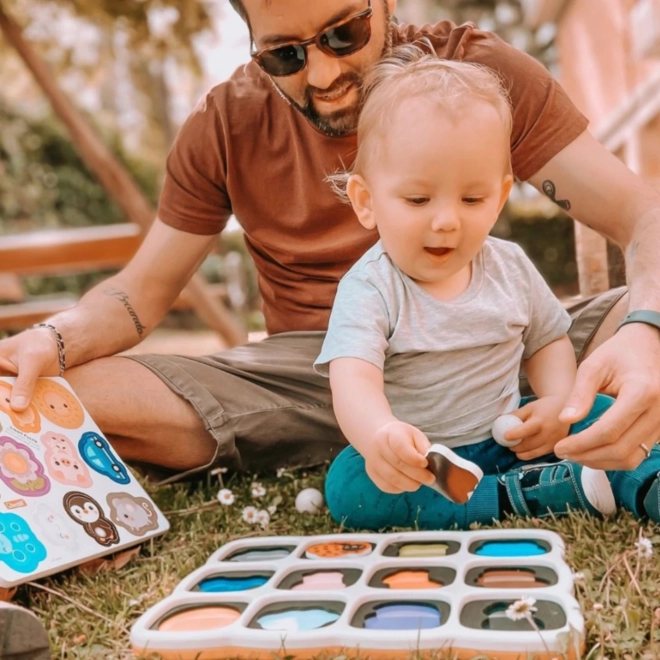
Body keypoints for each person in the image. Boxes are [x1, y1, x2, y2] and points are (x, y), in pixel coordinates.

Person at [1, 0, 660, 481]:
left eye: (344, 33)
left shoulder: (477, 73)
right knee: (58, 392)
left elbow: (644, 216)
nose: (320, 76)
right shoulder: (224, 121)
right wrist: (54, 339)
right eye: (284, 55)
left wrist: (646, 331)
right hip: (312, 381)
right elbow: (138, 296)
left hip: (492, 344)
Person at [315, 46, 660, 530]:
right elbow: (353, 380)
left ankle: (642, 479)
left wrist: (558, 404)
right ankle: (529, 493)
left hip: (512, 436)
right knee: (351, 487)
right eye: (417, 199)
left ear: (498, 198)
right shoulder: (370, 288)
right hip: (433, 463)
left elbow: (547, 340)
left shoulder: (510, 266)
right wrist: (380, 435)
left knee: (601, 413)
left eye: (472, 198)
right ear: (366, 201)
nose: (446, 221)